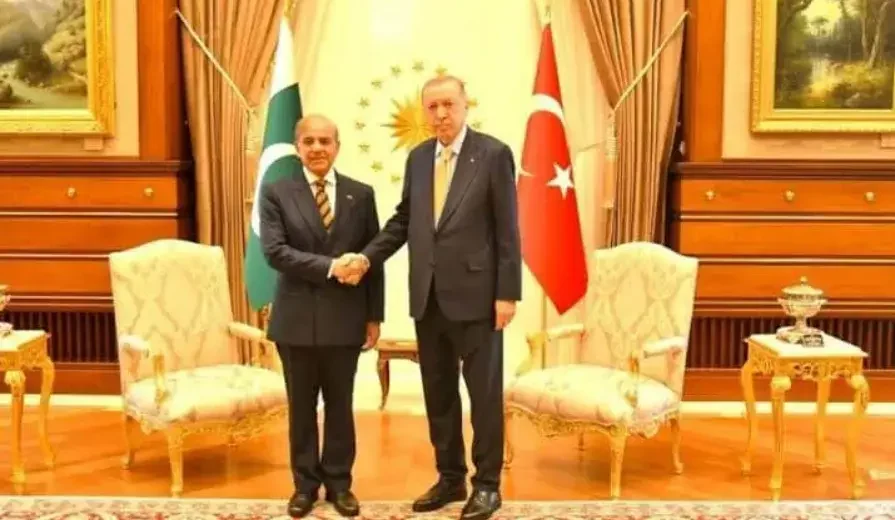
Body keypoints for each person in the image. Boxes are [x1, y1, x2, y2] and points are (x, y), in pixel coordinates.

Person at [337, 75, 521, 520]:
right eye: (432, 107)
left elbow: (507, 229)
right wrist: (366, 258)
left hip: (479, 299)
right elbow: (404, 221)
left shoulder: (493, 154)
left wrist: (507, 294)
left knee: (483, 395)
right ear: (425, 112)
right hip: (428, 297)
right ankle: (451, 477)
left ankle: (488, 485)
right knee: (438, 394)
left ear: (465, 105)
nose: (440, 114)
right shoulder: (418, 158)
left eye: (448, 105)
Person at [259, 114, 384, 518]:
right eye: (309, 141)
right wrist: (332, 267)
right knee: (301, 408)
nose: (317, 148)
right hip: (295, 321)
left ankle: (340, 485)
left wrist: (374, 315)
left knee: (340, 407)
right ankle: (304, 487)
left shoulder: (360, 195)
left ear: (337, 147)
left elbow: (373, 260)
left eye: (325, 141)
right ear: (297, 147)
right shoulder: (277, 191)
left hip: (346, 319)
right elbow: (276, 253)